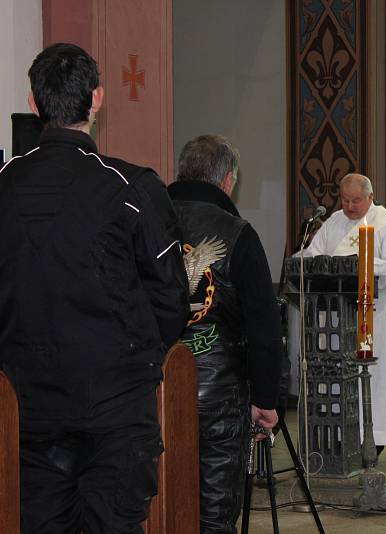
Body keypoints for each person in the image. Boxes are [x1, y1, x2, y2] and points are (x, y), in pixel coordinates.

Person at [0, 43, 189, 533]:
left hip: (28, 412)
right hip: (115, 412)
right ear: (98, 99)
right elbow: (171, 299)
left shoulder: (5, 186)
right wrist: (141, 359)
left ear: (35, 103)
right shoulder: (131, 188)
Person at [168, 134, 283, 533]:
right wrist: (266, 398)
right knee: (213, 516)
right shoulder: (237, 233)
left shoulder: (144, 219)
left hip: (152, 390)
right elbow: (265, 327)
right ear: (228, 179)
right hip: (218, 395)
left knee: (159, 508)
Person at [300, 173, 386, 453]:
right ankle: (342, 434)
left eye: (356, 201)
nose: (349, 206)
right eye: (345, 200)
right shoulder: (333, 222)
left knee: (376, 377)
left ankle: (375, 437)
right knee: (339, 374)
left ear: (370, 198)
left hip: (375, 315)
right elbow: (314, 255)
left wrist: (366, 266)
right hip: (337, 317)